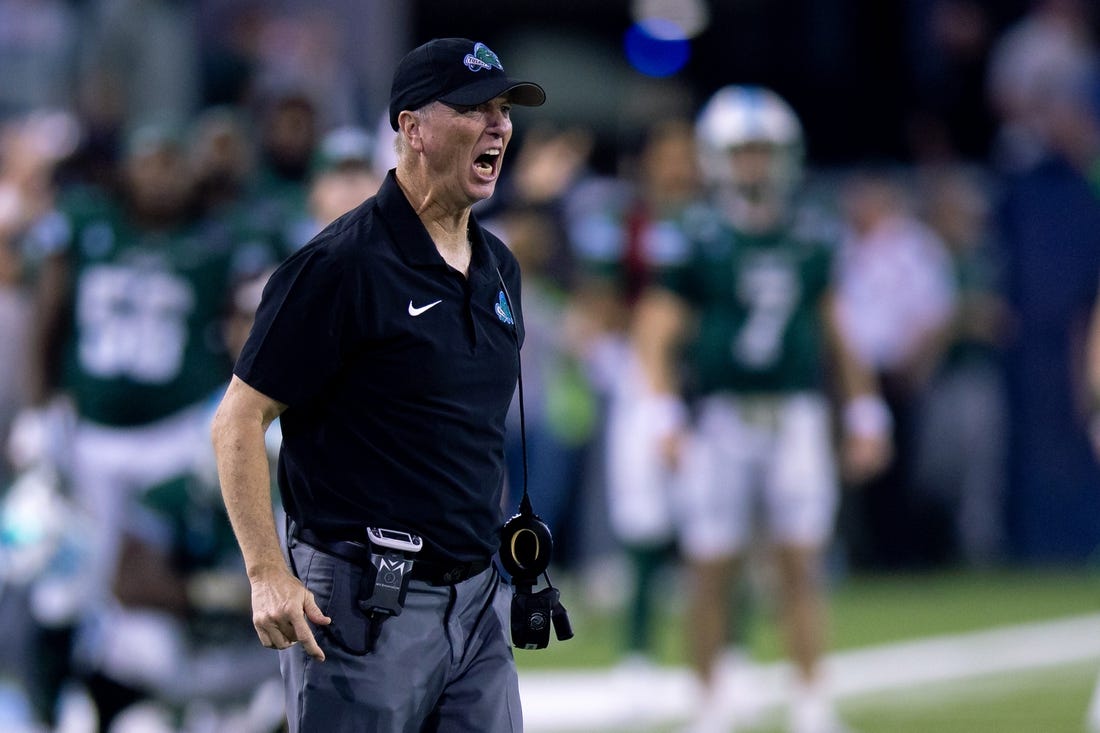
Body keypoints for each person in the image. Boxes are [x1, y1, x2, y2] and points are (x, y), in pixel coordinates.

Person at [211, 37, 546, 733]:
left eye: (504, 109)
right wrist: (267, 572)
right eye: (474, 108)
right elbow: (238, 419)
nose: (499, 125)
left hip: (477, 601)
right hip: (364, 605)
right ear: (411, 129)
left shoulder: (499, 270)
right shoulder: (340, 266)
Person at [633, 86, 891, 733]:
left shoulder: (809, 231)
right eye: (742, 152)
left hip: (795, 412)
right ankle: (710, 705)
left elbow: (837, 327)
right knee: (710, 565)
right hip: (720, 416)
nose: (753, 164)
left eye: (763, 151)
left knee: (801, 563)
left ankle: (810, 703)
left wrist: (865, 409)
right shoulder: (694, 236)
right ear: (717, 158)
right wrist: (662, 411)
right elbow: (657, 329)